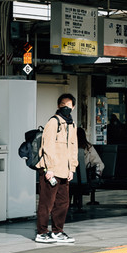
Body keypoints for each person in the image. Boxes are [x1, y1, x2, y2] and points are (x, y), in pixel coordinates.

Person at [35, 93, 79, 244]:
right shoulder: (53, 122)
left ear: (73, 107)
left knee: (63, 203)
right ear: (58, 106)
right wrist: (49, 169)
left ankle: (57, 231)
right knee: (46, 203)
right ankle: (41, 232)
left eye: (69, 105)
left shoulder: (72, 125)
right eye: (63, 105)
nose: (66, 108)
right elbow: (47, 146)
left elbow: (74, 147)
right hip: (51, 170)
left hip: (64, 171)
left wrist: (72, 168)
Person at [71, 127, 104, 210]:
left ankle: (70, 203)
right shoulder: (88, 147)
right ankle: (76, 203)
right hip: (83, 176)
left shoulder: (69, 147)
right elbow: (99, 163)